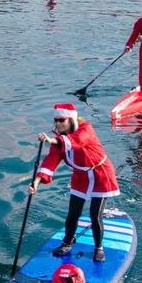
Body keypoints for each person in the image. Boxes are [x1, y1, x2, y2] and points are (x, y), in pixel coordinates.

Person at [29, 103, 121, 264]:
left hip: (101, 175)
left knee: (95, 215)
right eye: (56, 120)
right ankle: (67, 242)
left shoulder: (86, 129)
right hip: (80, 177)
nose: (58, 123)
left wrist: (52, 139)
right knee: (73, 214)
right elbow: (51, 161)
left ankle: (99, 247)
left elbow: (78, 140)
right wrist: (36, 182)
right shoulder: (59, 142)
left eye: (61, 120)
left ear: (71, 119)